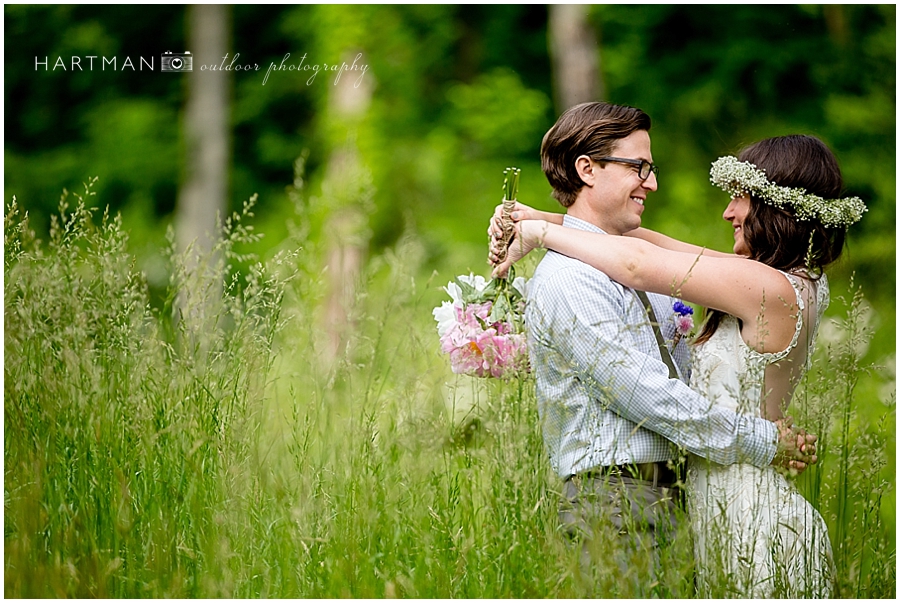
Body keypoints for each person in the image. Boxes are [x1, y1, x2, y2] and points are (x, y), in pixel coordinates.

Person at [489, 128, 865, 596]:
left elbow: (638, 264)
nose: (728, 211)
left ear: (776, 209)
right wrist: (540, 219)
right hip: (715, 506)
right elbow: (653, 244)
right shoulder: (784, 281)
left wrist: (542, 233)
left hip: (749, 514)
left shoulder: (769, 290)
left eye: (742, 199)